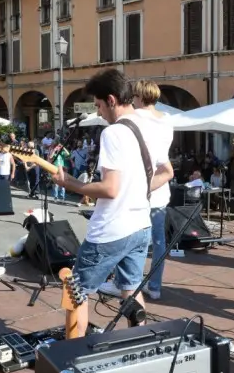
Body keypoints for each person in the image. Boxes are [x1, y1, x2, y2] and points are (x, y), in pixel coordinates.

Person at [49, 69, 172, 337]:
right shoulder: (149, 127)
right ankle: (139, 342)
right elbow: (167, 172)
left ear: (112, 100)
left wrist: (69, 183)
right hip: (140, 226)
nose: (100, 112)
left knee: (76, 291)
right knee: (131, 288)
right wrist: (136, 191)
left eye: (99, 105)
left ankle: (71, 356)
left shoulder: (113, 133)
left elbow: (110, 189)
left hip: (110, 230)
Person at [99, 80, 174, 300]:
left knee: (129, 240)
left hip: (138, 189)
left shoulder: (133, 119)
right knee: (158, 242)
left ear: (137, 97)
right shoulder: (167, 120)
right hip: (161, 191)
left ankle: (124, 283)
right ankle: (155, 287)